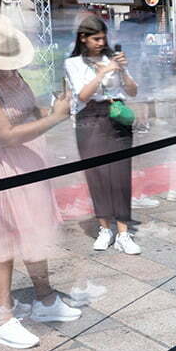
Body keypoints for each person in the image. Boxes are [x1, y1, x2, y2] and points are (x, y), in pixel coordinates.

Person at [0, 13, 79, 349]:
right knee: (2, 241)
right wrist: (54, 118)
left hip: (28, 162)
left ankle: (45, 298)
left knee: (33, 229)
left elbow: (31, 111)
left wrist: (57, 107)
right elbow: (5, 134)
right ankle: (3, 316)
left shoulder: (12, 73)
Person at [64, 15, 142, 254]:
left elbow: (133, 91)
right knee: (97, 175)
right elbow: (83, 95)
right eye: (95, 38)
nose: (100, 43)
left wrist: (123, 70)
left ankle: (123, 233)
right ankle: (104, 228)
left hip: (116, 115)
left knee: (119, 175)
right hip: (90, 119)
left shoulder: (112, 59)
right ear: (83, 38)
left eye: (103, 38)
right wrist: (103, 71)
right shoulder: (73, 63)